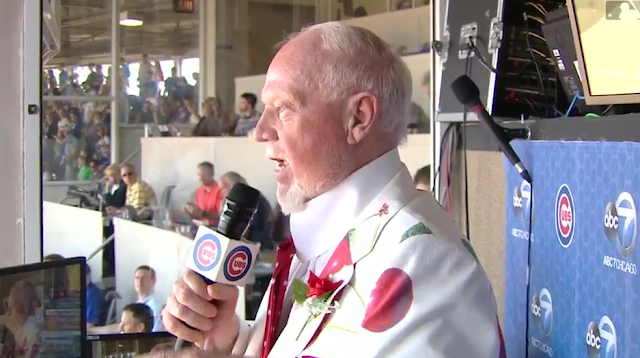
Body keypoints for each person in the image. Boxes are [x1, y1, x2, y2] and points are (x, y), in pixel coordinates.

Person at [160, 23, 503, 358]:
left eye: (283, 108)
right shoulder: (321, 235)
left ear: (358, 117)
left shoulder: (425, 266)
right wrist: (231, 341)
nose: (261, 131)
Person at [6, 281, 41, 358]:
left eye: (11, 308)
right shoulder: (20, 334)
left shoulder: (36, 336)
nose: (8, 314)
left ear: (26, 306)